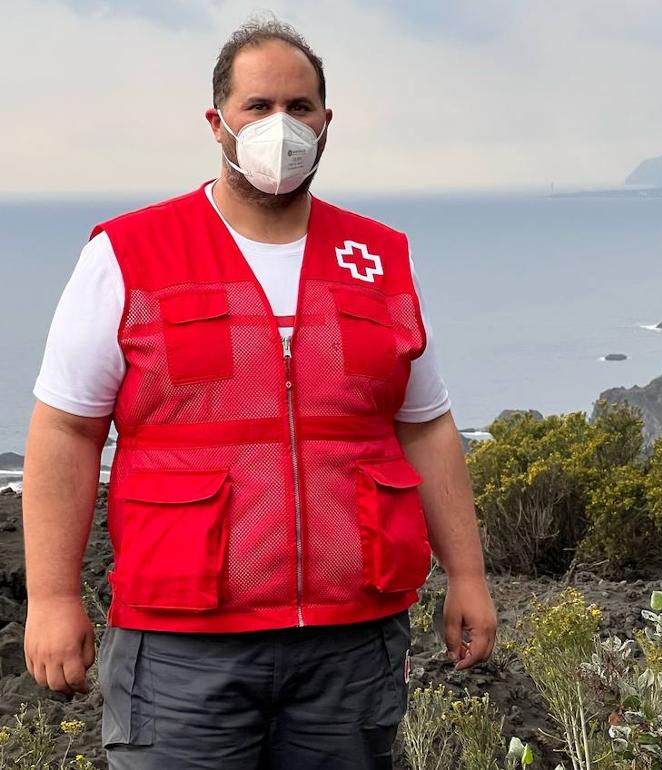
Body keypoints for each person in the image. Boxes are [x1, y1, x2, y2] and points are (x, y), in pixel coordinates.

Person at [21, 17, 496, 769]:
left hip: (353, 643)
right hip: (181, 649)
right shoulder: (130, 253)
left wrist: (467, 576)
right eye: (258, 106)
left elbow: (425, 427)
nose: (282, 126)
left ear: (327, 122)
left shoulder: (379, 258)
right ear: (218, 122)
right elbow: (65, 431)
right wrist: (50, 598)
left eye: (300, 107)